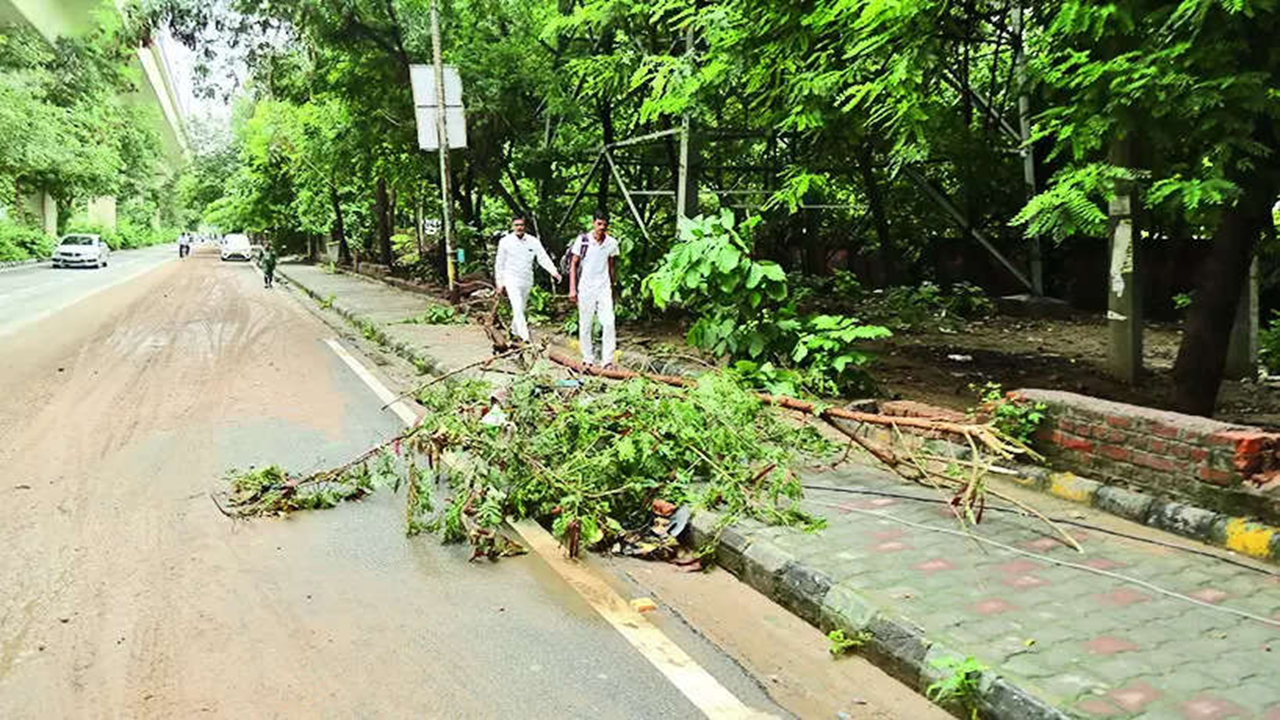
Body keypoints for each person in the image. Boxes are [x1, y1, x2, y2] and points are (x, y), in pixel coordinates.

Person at [494, 215, 560, 343]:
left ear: (525, 227)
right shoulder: (505, 241)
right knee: (517, 306)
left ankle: (513, 331)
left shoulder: (533, 241)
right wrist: (500, 282)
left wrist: (554, 272)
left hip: (527, 279)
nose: (519, 227)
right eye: (516, 225)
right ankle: (525, 338)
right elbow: (499, 263)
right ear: (512, 227)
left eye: (521, 225)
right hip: (511, 278)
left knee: (521, 308)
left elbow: (542, 257)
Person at [568, 212, 620, 368]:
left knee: (609, 322)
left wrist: (613, 286)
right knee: (586, 323)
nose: (601, 228)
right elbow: (573, 264)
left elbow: (611, 265)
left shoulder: (611, 243)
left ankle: (607, 360)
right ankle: (587, 358)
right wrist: (572, 289)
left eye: (604, 225)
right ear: (593, 223)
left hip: (604, 287)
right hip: (586, 287)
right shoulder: (583, 241)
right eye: (599, 224)